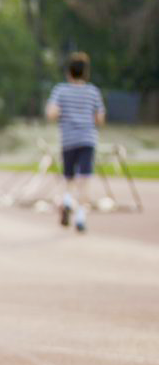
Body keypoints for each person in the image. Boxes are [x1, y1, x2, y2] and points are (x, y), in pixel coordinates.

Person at [46, 52, 105, 233]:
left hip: (69, 140)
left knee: (69, 178)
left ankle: (67, 201)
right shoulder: (93, 92)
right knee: (84, 180)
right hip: (88, 139)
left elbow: (51, 113)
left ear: (68, 72)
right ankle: (80, 216)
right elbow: (100, 118)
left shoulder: (61, 90)